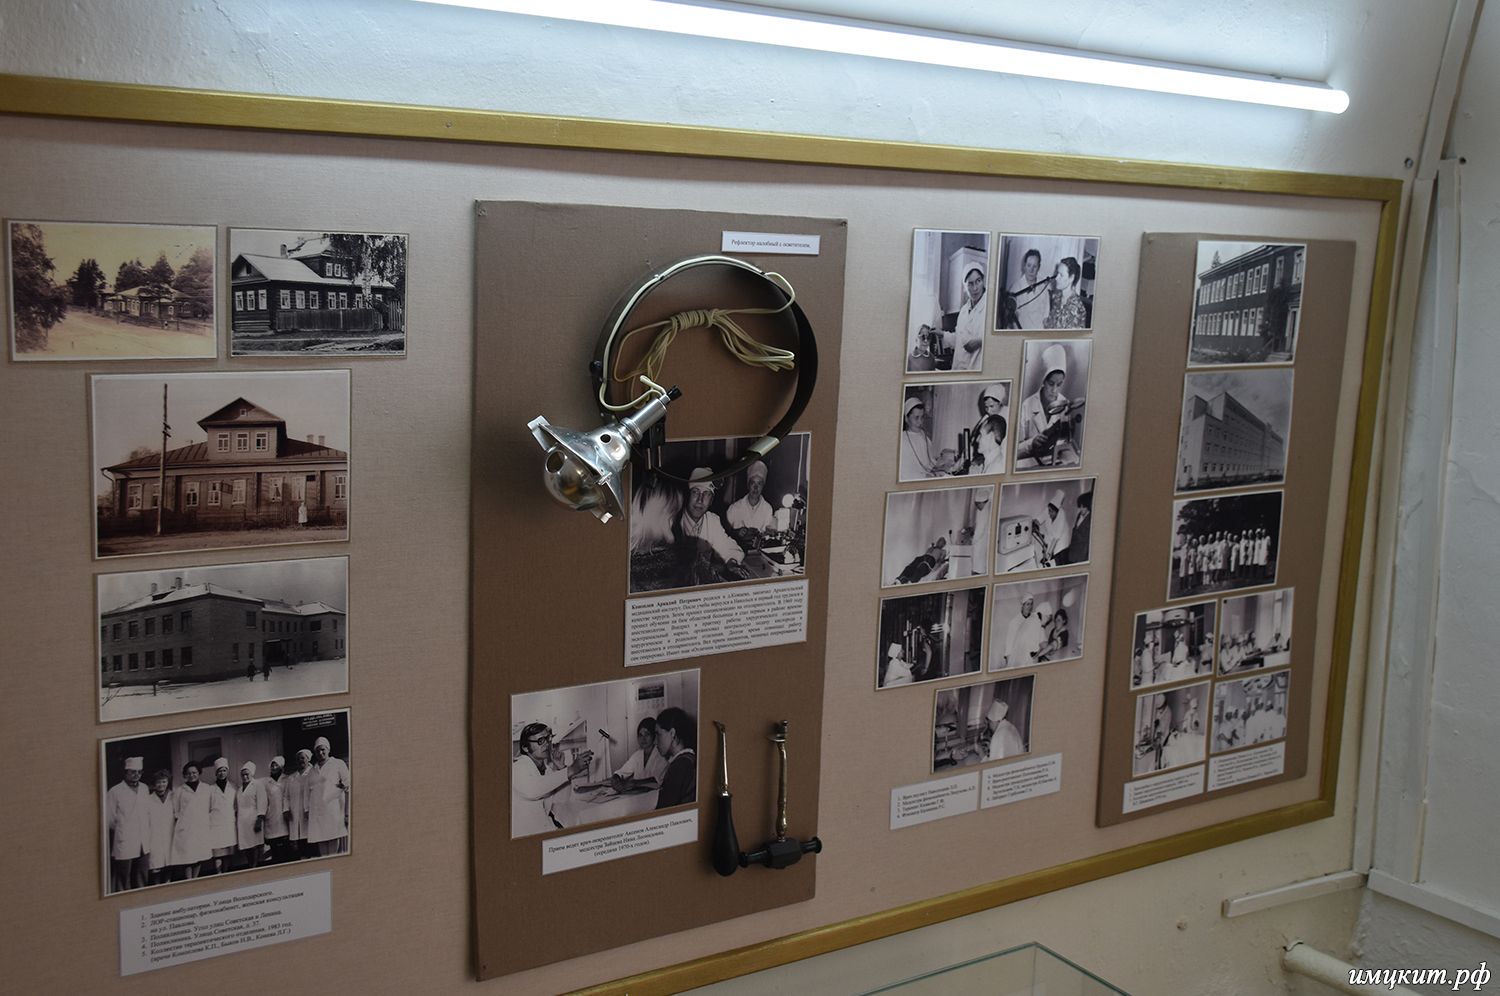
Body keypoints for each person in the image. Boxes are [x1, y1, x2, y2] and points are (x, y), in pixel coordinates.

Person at [512, 723, 591, 836]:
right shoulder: (517, 768)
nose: (547, 744)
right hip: (525, 834)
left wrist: (561, 767)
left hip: (545, 828)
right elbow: (532, 790)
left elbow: (561, 799)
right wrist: (571, 770)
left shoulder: (547, 770)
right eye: (540, 741)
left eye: (548, 738)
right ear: (525, 747)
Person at [1016, 343, 1081, 469]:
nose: (1054, 390)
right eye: (1051, 384)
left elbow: (1066, 443)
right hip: (1032, 464)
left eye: (1059, 384)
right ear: (1043, 381)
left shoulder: (1065, 404)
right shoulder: (1027, 405)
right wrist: (1031, 443)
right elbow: (1014, 449)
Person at [679, 467, 745, 567]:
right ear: (688, 495)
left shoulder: (712, 521)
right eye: (695, 492)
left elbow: (729, 549)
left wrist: (731, 563)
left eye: (706, 494)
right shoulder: (674, 519)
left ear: (711, 501)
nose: (700, 500)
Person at [105, 755, 152, 893]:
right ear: (125, 772)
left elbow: (147, 812)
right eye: (133, 772)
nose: (136, 775)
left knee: (142, 874)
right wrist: (125, 829)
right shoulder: (115, 791)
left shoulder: (144, 788)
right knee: (123, 876)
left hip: (143, 839)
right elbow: (110, 819)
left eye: (139, 772)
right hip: (125, 839)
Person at [305, 736, 352, 856]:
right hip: (316, 810)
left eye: (323, 749)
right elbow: (307, 791)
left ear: (328, 749)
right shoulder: (312, 770)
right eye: (317, 751)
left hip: (333, 808)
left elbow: (348, 785)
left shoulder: (338, 763)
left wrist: (347, 812)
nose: (320, 753)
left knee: (332, 836)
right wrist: (307, 809)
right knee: (320, 837)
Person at [169, 761, 212, 880]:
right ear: (185, 775)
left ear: (199, 773)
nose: (191, 775)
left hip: (201, 826)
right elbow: (176, 810)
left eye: (194, 772)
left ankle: (195, 879)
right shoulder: (180, 790)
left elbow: (209, 807)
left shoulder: (206, 788)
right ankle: (189, 880)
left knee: (199, 854)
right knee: (187, 856)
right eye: (188, 773)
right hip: (186, 827)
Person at [653, 707, 698, 810]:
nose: (655, 742)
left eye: (658, 734)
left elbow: (664, 808)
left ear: (672, 733)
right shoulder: (689, 759)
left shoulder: (680, 765)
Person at [945, 265, 986, 371]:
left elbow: (1000, 340)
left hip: (976, 370)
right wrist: (942, 334)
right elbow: (958, 340)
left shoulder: (991, 307)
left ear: (983, 281)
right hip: (958, 369)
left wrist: (981, 341)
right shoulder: (963, 310)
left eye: (978, 281)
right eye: (970, 284)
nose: (975, 288)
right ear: (965, 287)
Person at [611, 718, 668, 791]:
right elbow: (622, 771)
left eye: (647, 734)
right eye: (640, 735)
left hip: (655, 794)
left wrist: (635, 783)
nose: (643, 739)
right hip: (638, 795)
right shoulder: (637, 755)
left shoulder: (661, 755)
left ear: (653, 736)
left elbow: (656, 780)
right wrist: (616, 778)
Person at [899, 397, 950, 479]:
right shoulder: (902, 440)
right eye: (916, 417)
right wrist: (926, 476)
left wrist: (941, 465)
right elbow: (903, 473)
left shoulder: (923, 435)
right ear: (906, 419)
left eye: (922, 417)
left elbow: (929, 462)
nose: (920, 422)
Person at [725, 460, 776, 533]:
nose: (755, 487)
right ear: (748, 485)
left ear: (763, 486)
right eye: (753, 483)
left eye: (759, 483)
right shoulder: (734, 509)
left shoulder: (768, 509)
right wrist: (736, 532)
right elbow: (725, 532)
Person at [206, 757, 237, 874]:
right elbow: (207, 807)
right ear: (216, 773)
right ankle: (218, 873)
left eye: (224, 770)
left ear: (227, 771)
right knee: (218, 852)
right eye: (219, 771)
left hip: (229, 823)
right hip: (215, 824)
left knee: (228, 851)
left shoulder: (233, 787)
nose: (222, 773)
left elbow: (236, 806)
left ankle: (226, 872)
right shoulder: (210, 789)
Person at [235, 760, 268, 868]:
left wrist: (259, 819)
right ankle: (251, 866)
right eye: (242, 775)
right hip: (242, 822)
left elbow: (262, 802)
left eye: (247, 774)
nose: (244, 777)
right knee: (247, 846)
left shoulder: (257, 785)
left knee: (255, 845)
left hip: (253, 820)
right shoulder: (239, 789)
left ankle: (255, 867)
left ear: (252, 774)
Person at [1007, 248, 1050, 330]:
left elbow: (1046, 316)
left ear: (1039, 267)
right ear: (1024, 266)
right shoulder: (1015, 288)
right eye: (1029, 265)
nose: (1031, 270)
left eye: (1035, 266)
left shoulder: (1043, 286)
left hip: (1039, 331)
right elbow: (1012, 320)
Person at [145, 769, 174, 886]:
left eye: (164, 781)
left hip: (170, 833)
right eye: (158, 782)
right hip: (154, 835)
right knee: (156, 863)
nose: (161, 785)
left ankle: (168, 883)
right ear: (154, 784)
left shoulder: (173, 796)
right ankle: (157, 886)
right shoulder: (148, 799)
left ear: (168, 782)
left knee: (169, 862)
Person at [262, 755, 293, 864]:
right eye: (272, 765)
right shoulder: (266, 782)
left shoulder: (287, 779)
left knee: (286, 849)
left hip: (285, 816)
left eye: (276, 765)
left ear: (281, 767)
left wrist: (287, 810)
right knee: (274, 849)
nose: (274, 767)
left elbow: (289, 796)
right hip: (271, 818)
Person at [1002, 593, 1045, 669]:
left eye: (1031, 604)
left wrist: (1037, 653)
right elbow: (1009, 644)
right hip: (1018, 658)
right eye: (1027, 604)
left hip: (1031, 658)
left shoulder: (1035, 619)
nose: (1030, 607)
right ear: (1022, 605)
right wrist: (1009, 663)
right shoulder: (1014, 622)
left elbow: (1038, 638)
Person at [1044, 256, 1088, 330]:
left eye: (1061, 275)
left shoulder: (1076, 309)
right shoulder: (1057, 296)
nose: (1056, 278)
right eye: (1057, 273)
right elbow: (1050, 323)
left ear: (1071, 278)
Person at [1034, 489, 1073, 567]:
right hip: (1051, 540)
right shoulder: (1049, 509)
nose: (1049, 513)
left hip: (1061, 543)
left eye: (1051, 511)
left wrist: (1047, 556)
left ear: (1057, 511)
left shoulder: (1061, 515)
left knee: (1059, 562)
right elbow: (1038, 520)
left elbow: (1055, 539)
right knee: (1050, 560)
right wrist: (1033, 525)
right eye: (1049, 510)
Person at [285, 748, 312, 858]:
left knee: (310, 837)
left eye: (302, 758)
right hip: (295, 812)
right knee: (298, 838)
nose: (300, 760)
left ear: (308, 759)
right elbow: (286, 796)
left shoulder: (313, 773)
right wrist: (286, 809)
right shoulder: (291, 778)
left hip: (309, 812)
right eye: (298, 759)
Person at [1061, 489, 1092, 565]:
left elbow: (1086, 538)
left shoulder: (1090, 519)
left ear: (1088, 506)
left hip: (1082, 554)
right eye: (1080, 506)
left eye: (1082, 507)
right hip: (1073, 550)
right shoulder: (1079, 515)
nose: (1080, 509)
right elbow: (1075, 531)